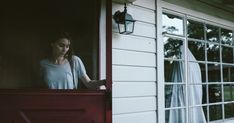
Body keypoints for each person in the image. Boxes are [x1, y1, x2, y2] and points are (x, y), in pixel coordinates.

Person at [40, 32, 106, 89]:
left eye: (67, 46)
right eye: (61, 45)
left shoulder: (74, 61)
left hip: (70, 101)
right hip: (50, 102)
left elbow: (88, 83)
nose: (64, 49)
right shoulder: (43, 64)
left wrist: (104, 82)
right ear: (52, 44)